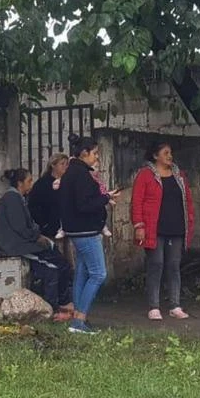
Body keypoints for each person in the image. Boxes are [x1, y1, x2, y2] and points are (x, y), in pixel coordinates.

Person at [0, 168, 73, 321]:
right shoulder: (11, 198)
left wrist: (38, 236)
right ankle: (53, 310)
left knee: (60, 261)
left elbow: (28, 224)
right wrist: (36, 237)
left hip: (25, 240)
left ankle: (62, 301)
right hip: (16, 244)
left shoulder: (19, 198)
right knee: (52, 269)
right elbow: (20, 227)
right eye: (29, 181)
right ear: (20, 183)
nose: (31, 184)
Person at [59, 134, 120, 334]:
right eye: (94, 153)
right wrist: (104, 198)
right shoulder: (81, 174)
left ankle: (78, 317)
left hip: (77, 230)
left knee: (83, 273)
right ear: (84, 153)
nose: (96, 158)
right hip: (85, 230)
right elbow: (85, 204)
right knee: (98, 273)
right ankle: (79, 320)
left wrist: (103, 196)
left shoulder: (72, 172)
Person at [131, 140, 195, 321]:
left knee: (174, 266)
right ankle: (154, 306)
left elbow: (188, 201)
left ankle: (175, 305)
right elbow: (137, 201)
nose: (170, 156)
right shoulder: (145, 175)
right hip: (154, 228)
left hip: (176, 228)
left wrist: (189, 223)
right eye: (166, 153)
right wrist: (139, 225)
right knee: (156, 264)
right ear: (155, 155)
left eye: (170, 152)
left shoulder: (179, 175)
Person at [25, 153, 74, 322]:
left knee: (68, 265)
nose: (64, 168)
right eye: (62, 164)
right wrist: (44, 225)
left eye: (66, 165)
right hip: (49, 231)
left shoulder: (66, 183)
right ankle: (61, 300)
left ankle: (66, 298)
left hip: (65, 229)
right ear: (53, 165)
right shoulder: (43, 185)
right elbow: (34, 208)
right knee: (58, 264)